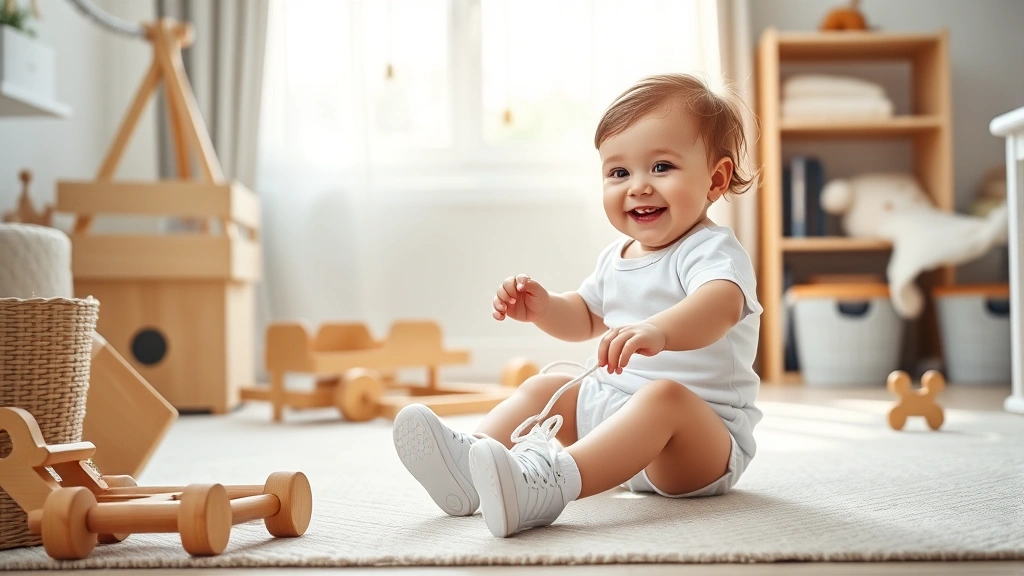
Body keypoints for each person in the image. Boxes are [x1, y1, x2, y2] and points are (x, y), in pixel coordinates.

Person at [392, 73, 763, 538]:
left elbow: (720, 306)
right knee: (549, 383)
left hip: (699, 446)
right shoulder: (617, 256)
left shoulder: (711, 250)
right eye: (619, 172)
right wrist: (544, 307)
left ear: (716, 179)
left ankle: (546, 485)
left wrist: (660, 331)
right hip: (619, 430)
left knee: (663, 396)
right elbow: (586, 315)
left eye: (662, 167)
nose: (639, 187)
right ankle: (470, 464)